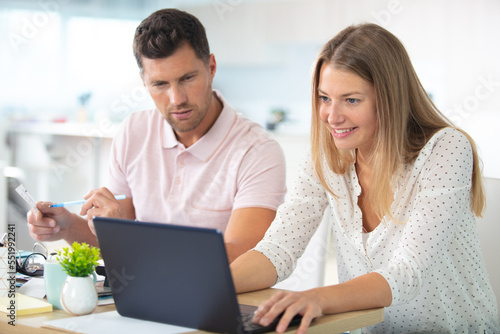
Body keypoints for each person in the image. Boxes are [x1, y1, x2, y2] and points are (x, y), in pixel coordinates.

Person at [230, 23, 500, 333]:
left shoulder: (446, 148)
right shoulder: (327, 157)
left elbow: (406, 272)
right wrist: (213, 288)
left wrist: (317, 298)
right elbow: (278, 250)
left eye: (351, 100)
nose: (332, 116)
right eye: (324, 98)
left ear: (389, 99)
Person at [26, 8, 287, 263]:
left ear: (211, 66)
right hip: (144, 296)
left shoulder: (257, 150)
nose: (177, 99)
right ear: (144, 81)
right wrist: (67, 226)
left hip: (218, 302)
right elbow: (115, 249)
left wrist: (128, 237)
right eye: (160, 84)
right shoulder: (133, 132)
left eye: (187, 78)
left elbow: (242, 257)